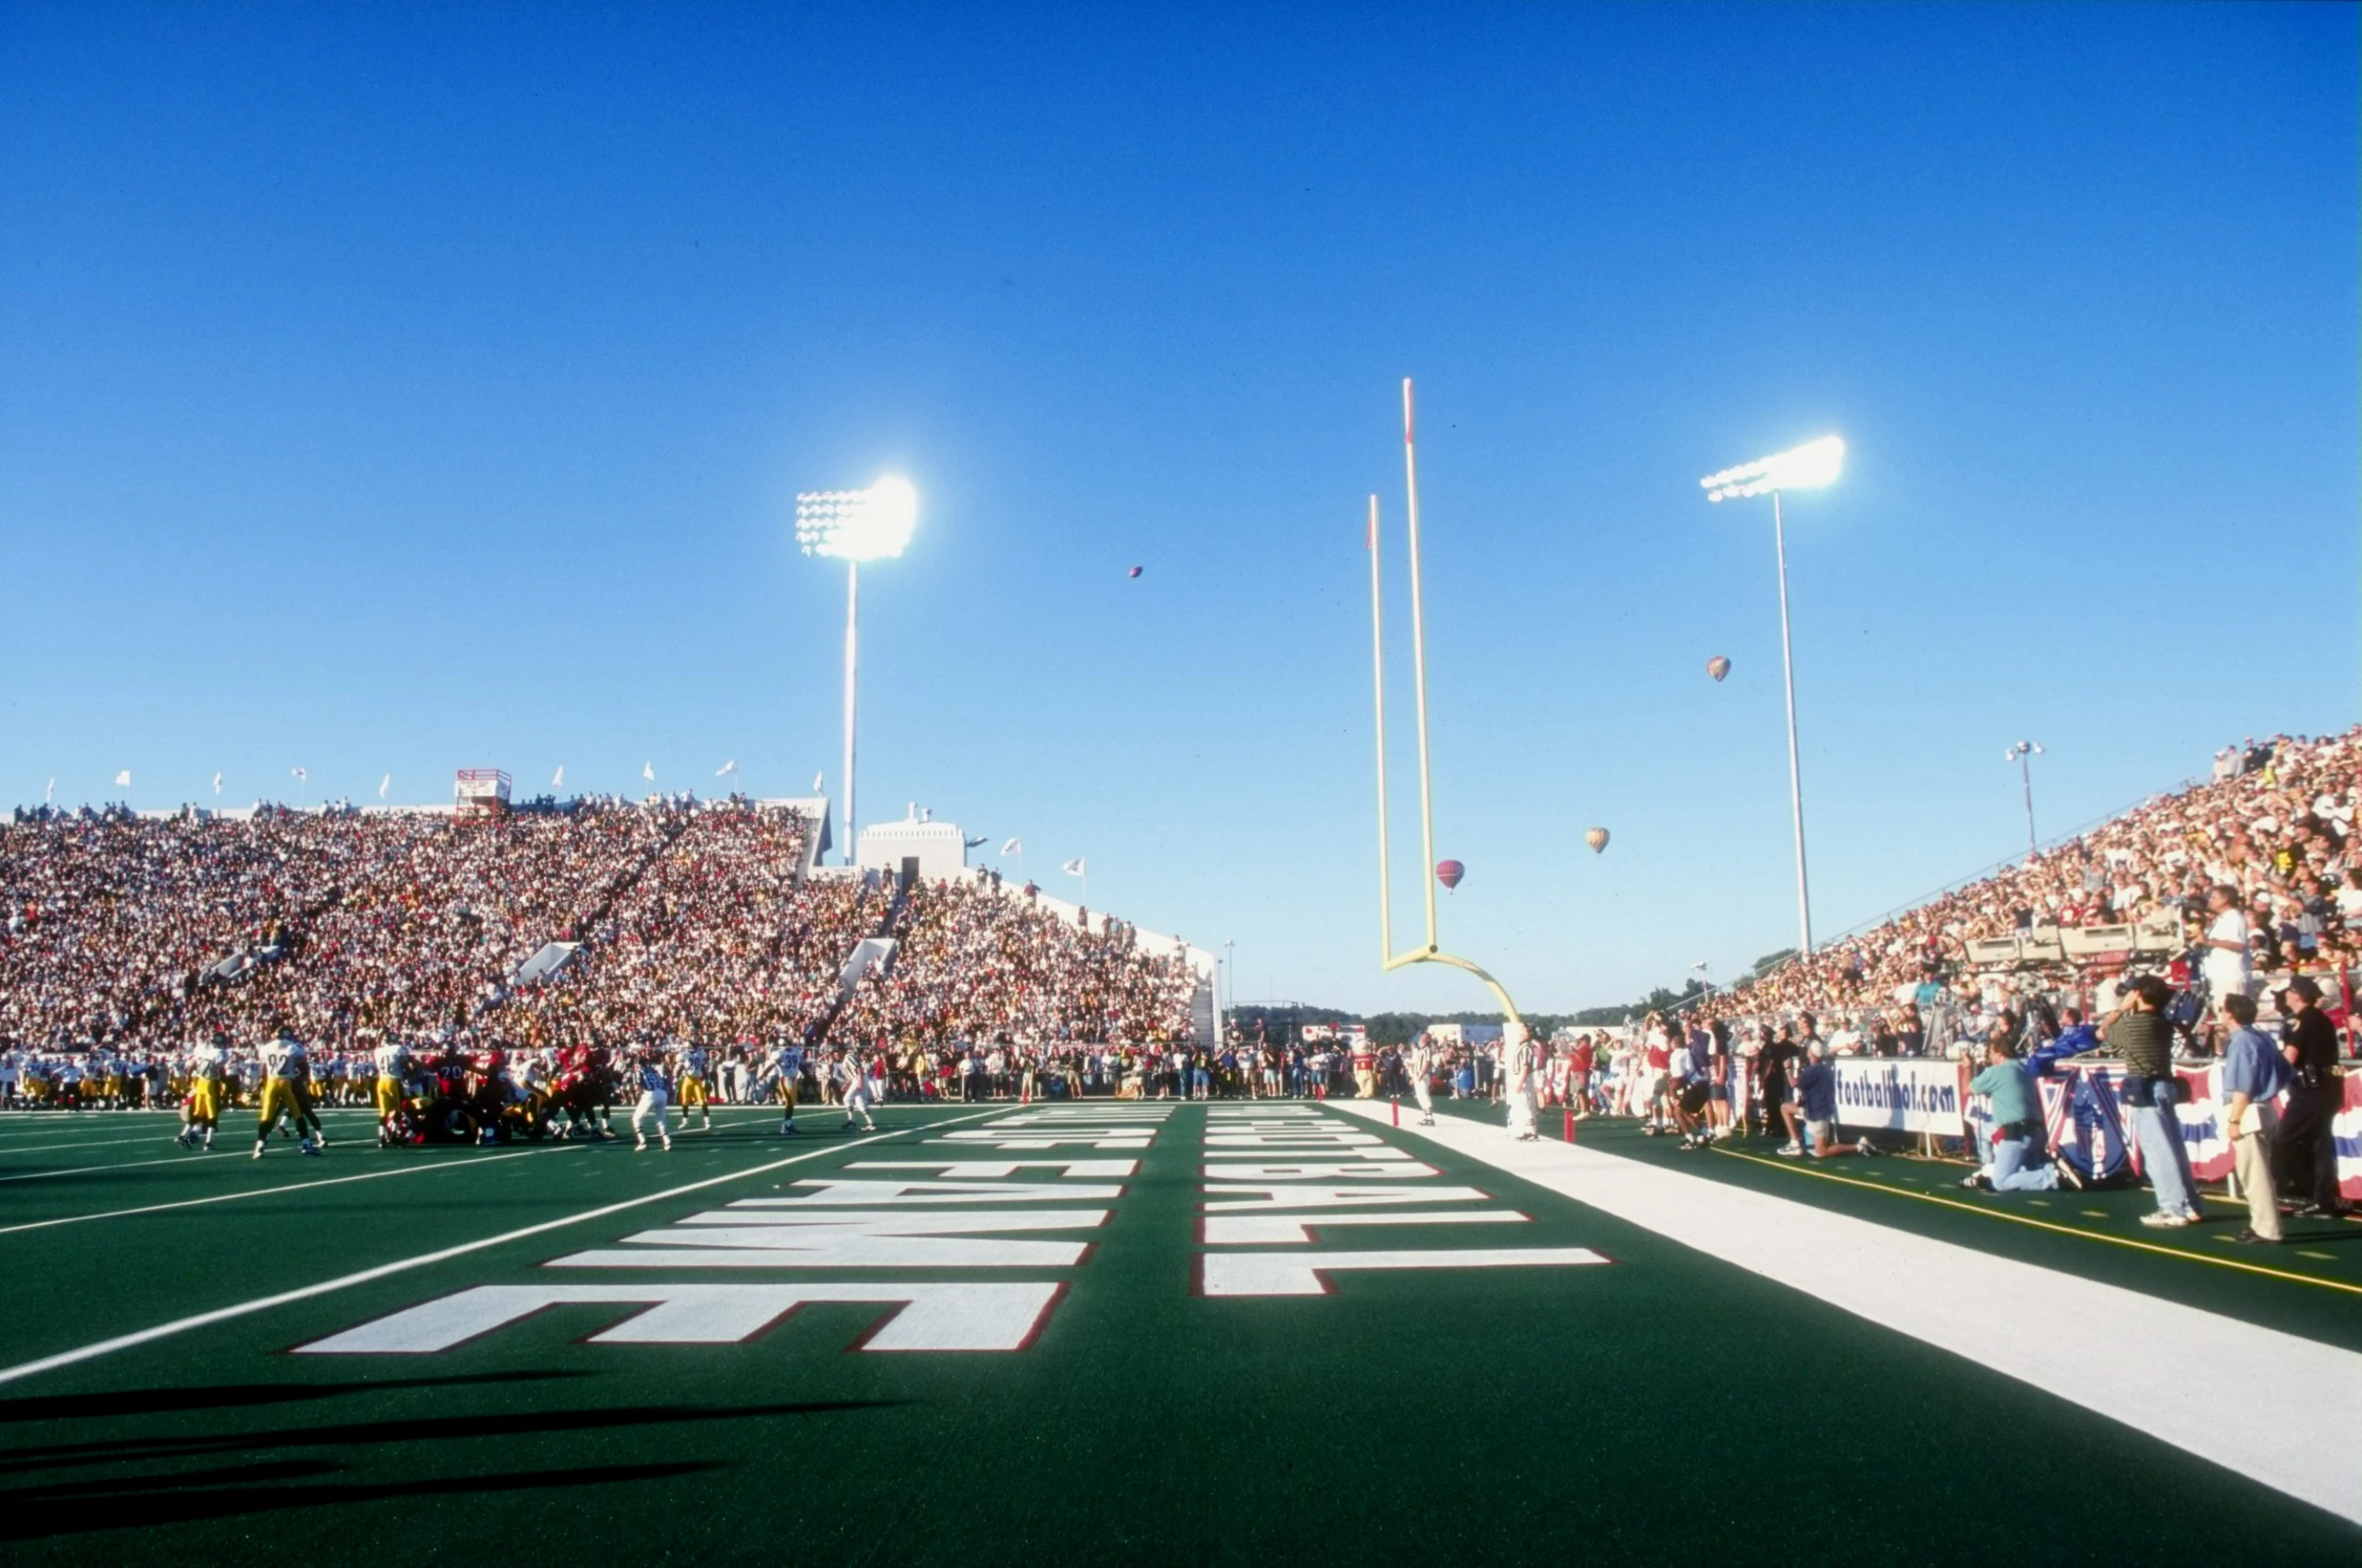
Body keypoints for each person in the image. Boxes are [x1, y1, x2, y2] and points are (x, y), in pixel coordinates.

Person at [2105, 975, 2198, 1227]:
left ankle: (2172, 1207)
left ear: (2138, 994)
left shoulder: (2135, 1025)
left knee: (2158, 1152)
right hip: (2165, 1084)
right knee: (2175, 1148)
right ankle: (2189, 1203)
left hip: (2145, 1088)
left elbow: (2104, 1032)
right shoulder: (2164, 1022)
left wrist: (2123, 1007)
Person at [2217, 993, 2289, 1244]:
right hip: (2266, 1106)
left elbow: (2243, 1086)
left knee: (2254, 1174)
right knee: (2259, 1171)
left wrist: (2235, 1121)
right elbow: (2285, 1071)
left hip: (2249, 1111)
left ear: (2230, 1014)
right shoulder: (2261, 1037)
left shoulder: (2242, 1042)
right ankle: (2262, 1223)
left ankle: (2267, 1229)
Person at [2273, 977, 2347, 1219]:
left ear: (2297, 995)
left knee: (2285, 1139)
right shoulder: (2316, 1018)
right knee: (2320, 1143)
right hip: (2323, 1088)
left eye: (2289, 992)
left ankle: (2309, 1190)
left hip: (2311, 1090)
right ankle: (2323, 1199)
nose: (2285, 996)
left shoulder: (2305, 1020)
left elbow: (2290, 1057)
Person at [1963, 1038, 2073, 1192]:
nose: (1990, 1057)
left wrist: (1967, 1067)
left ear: (2000, 1053)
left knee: (2000, 1182)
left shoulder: (1996, 1072)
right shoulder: (2023, 1069)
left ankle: (2051, 1175)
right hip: (2036, 1132)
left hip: (2016, 1134)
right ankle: (2051, 1168)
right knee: (2029, 1170)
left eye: (1992, 1053)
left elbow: (1966, 1090)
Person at [252, 1027, 319, 1159]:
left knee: (266, 1117)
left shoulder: (266, 1048)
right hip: (286, 1083)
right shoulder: (292, 1047)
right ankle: (306, 1144)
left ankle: (259, 1147)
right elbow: (302, 1056)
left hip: (271, 1083)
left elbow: (262, 1059)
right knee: (298, 1115)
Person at [2198, 885, 2251, 1005]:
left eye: (2214, 898)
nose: (2210, 900)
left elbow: (2239, 945)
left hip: (2231, 977)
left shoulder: (2234, 917)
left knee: (2232, 1014)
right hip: (2219, 976)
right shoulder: (2220, 918)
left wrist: (2209, 941)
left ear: (2225, 900)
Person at [371, 1031, 410, 1148]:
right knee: (398, 1111)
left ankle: (382, 1138)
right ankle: (393, 1135)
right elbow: (405, 1061)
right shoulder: (398, 1048)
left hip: (381, 1081)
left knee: (384, 1112)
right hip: (393, 1081)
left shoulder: (377, 1051)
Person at [630, 1048, 674, 1153]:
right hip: (663, 1094)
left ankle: (642, 1142)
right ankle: (667, 1142)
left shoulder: (638, 1070)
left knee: (636, 1119)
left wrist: (640, 1094)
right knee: (660, 1120)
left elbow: (637, 1086)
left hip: (650, 1094)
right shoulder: (654, 1071)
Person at [1502, 1024, 1538, 1141]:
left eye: (1522, 1030)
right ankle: (1527, 1130)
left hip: (1523, 1077)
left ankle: (1532, 1131)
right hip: (1520, 1076)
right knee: (1522, 1105)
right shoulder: (1523, 1046)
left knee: (1526, 1104)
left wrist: (1520, 1082)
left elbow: (1526, 1066)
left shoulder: (1526, 1048)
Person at [840, 1049, 879, 1132]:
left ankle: (852, 1121)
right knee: (861, 1104)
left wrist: (860, 1082)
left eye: (837, 1053)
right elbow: (851, 1076)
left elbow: (859, 1068)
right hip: (859, 1079)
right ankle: (871, 1123)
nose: (836, 1056)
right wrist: (846, 1084)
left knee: (846, 1099)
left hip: (859, 1079)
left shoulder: (848, 1058)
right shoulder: (845, 1060)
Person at [1405, 1034, 1437, 1126]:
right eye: (1421, 1037)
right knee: (1419, 1096)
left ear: (1427, 1040)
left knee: (1424, 1095)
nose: (1420, 1039)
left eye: (1423, 1038)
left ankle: (1430, 1118)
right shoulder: (1420, 1051)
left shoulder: (1427, 1050)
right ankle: (1427, 1117)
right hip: (1417, 1074)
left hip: (1422, 1075)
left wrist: (1421, 1074)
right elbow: (1417, 1063)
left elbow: (1427, 1062)